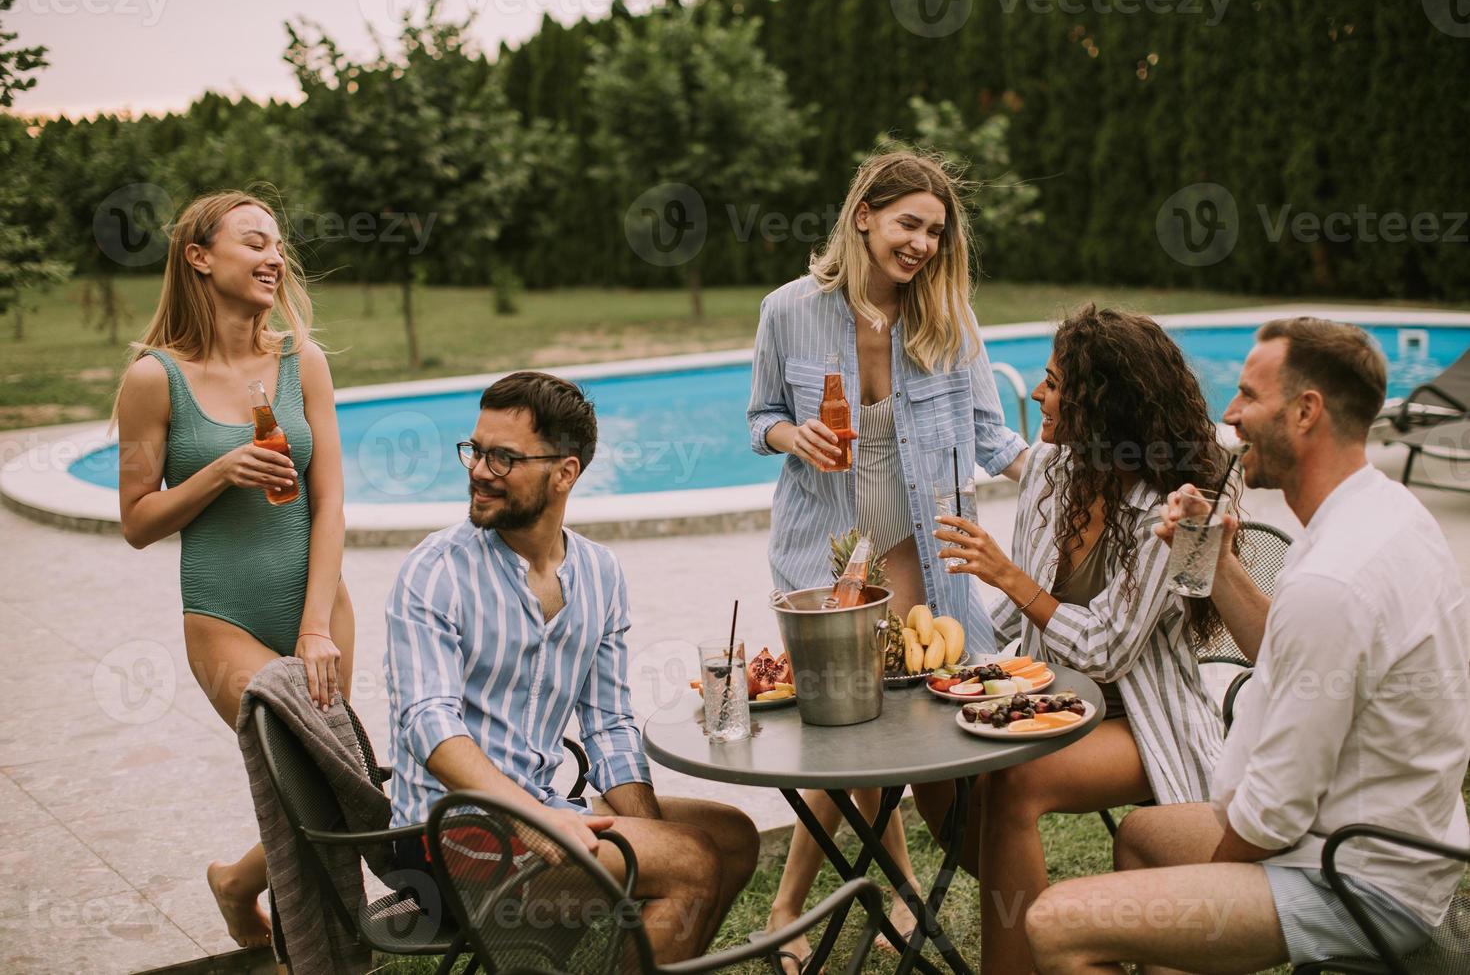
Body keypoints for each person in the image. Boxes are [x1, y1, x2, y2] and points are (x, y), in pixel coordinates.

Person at [1025, 317, 1469, 974]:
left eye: (1248, 397)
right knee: (1146, 836)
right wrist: (1216, 558)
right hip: (1384, 836)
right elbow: (1282, 651)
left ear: (1305, 411)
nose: (1228, 416)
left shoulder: (1335, 579)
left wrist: (1204, 892)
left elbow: (1273, 814)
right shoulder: (1382, 512)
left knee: (1054, 922)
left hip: (1355, 873)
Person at [746, 149, 1028, 969]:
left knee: (885, 725)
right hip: (822, 545)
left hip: (914, 544)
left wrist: (1056, 468)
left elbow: (989, 435)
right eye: (909, 223)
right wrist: (789, 434)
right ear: (863, 215)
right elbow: (759, 415)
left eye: (936, 231)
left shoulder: (948, 316)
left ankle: (825, 904)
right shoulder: (787, 311)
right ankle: (843, 902)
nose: (923, 245)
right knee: (846, 730)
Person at [385, 371, 759, 964]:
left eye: (503, 458)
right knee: (691, 864)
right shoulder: (435, 572)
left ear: (565, 472)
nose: (480, 471)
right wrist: (537, 820)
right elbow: (428, 722)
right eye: (476, 451)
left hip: (542, 807)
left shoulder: (599, 573)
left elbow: (609, 722)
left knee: (732, 839)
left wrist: (648, 830)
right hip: (449, 835)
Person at [921, 304, 1230, 974]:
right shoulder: (1054, 469)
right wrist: (956, 663)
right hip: (1053, 694)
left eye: (1055, 382)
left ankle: (1019, 959)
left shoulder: (1171, 504)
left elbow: (1108, 650)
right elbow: (1016, 621)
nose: (1037, 395)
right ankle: (1055, 923)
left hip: (1144, 719)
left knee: (1012, 784)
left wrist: (1005, 576)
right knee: (936, 773)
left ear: (1104, 403)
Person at [114, 191, 352, 948]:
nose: (273, 258)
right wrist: (218, 472)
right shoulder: (155, 380)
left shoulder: (300, 361)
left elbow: (331, 501)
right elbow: (137, 522)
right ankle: (308, 957)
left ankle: (238, 882)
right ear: (199, 257)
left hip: (319, 606)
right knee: (303, 781)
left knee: (335, 787)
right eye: (253, 242)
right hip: (222, 615)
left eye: (278, 245)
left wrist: (316, 626)